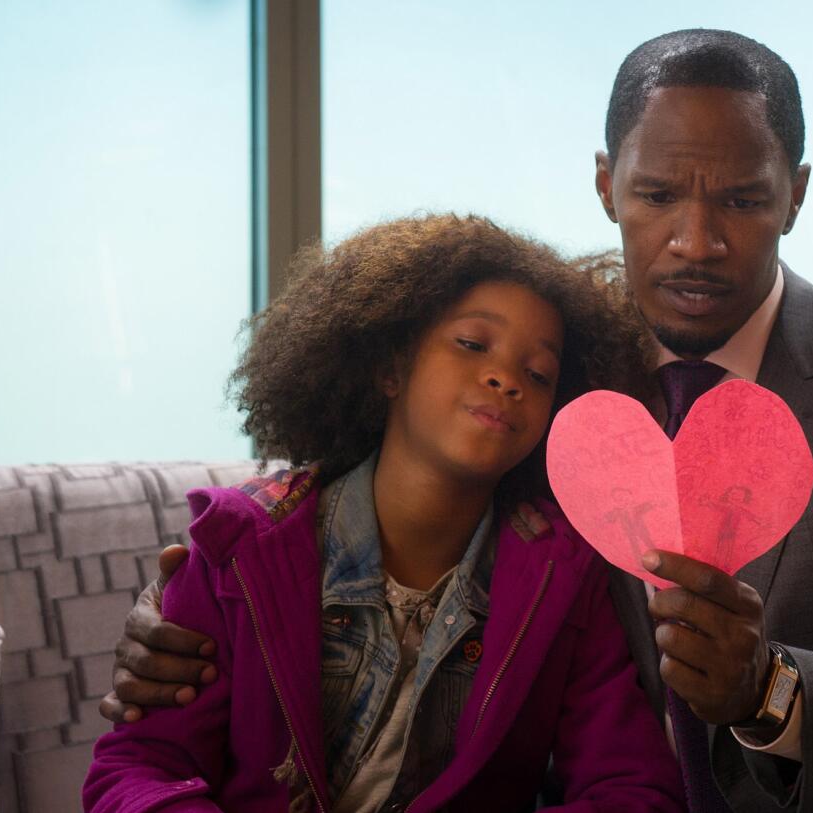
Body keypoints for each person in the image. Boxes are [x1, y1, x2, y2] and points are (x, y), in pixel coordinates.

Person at [100, 30, 813, 812]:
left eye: (744, 199)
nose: (697, 240)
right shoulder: (542, 376)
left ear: (796, 191)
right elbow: (337, 513)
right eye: (659, 194)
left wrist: (768, 689)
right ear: (605, 184)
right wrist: (182, 621)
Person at [84, 214, 684, 812]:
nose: (506, 379)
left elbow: (631, 786)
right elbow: (141, 768)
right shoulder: (239, 545)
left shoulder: (565, 576)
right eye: (473, 345)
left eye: (539, 374)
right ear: (390, 367)